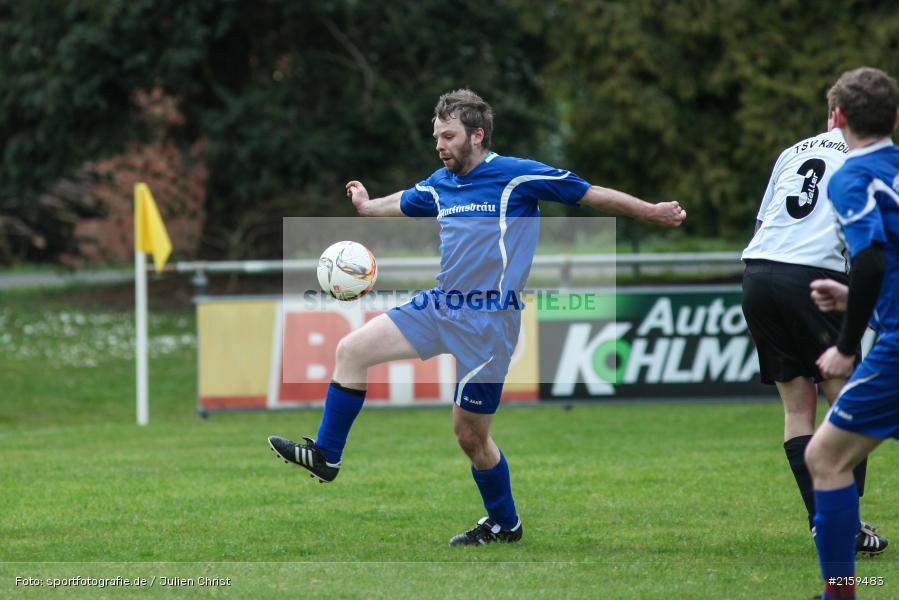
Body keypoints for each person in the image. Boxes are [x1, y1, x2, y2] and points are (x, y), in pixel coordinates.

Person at [268, 88, 686, 545]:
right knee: (351, 350)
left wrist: (651, 211)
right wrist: (368, 207)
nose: (440, 145)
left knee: (470, 436)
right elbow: (407, 200)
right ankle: (327, 456)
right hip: (441, 306)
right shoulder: (441, 183)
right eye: (436, 137)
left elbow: (589, 194)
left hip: (490, 323)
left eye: (448, 136)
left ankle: (505, 524)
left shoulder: (515, 177)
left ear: (478, 135)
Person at [741, 91, 888, 554]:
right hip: (813, 278)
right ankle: (844, 522)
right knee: (846, 403)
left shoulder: (793, 150)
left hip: (758, 273)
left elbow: (768, 218)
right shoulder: (871, 161)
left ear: (834, 116)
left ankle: (822, 521)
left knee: (796, 408)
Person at [802, 66, 899, 600]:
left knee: (825, 458)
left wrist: (844, 344)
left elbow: (869, 259)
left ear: (837, 118)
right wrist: (852, 297)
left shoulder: (851, 176)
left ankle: (839, 592)